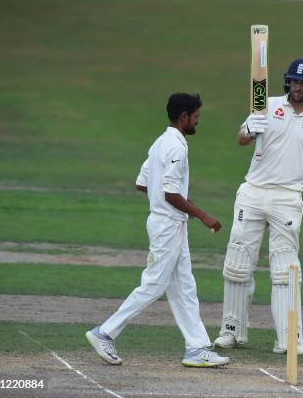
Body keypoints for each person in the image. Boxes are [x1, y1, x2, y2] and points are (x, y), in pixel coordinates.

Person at [213, 58, 303, 355]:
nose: (298, 87)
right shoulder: (265, 103)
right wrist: (249, 128)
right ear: (287, 82)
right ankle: (232, 331)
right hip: (252, 191)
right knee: (237, 265)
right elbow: (241, 140)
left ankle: (289, 339)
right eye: (294, 81)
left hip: (288, 198)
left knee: (285, 270)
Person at [85, 93, 229, 368]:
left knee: (184, 288)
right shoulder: (176, 147)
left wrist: (172, 205)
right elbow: (170, 193)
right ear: (184, 117)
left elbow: (143, 184)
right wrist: (203, 215)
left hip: (169, 224)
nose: (198, 121)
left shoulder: (160, 143)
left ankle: (197, 347)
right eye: (196, 117)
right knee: (153, 285)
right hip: (168, 227)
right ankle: (104, 333)